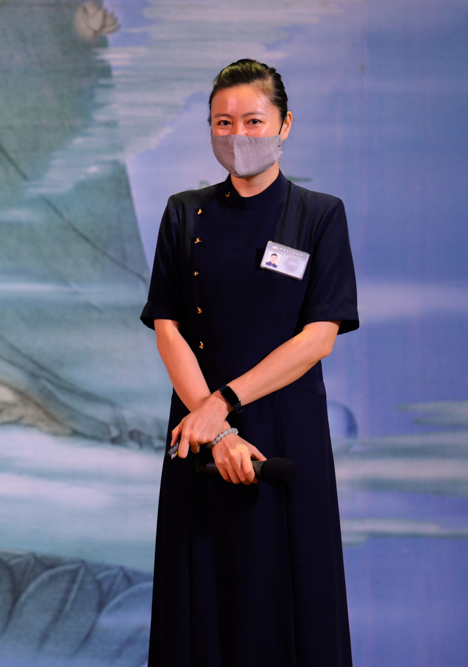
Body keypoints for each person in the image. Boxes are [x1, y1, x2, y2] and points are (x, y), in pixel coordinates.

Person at [140, 59, 358, 666]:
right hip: (201, 435)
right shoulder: (183, 213)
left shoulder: (319, 215)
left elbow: (319, 337)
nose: (238, 135)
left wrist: (225, 404)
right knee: (201, 603)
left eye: (254, 121)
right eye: (223, 122)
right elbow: (168, 329)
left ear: (285, 125)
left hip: (284, 430)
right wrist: (217, 431)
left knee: (289, 602)